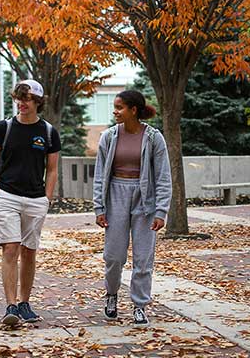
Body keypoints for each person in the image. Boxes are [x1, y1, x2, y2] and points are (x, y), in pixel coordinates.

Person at [93, 90, 172, 325]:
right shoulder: (108, 137)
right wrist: (99, 207)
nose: (115, 111)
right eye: (115, 107)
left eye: (119, 107)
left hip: (144, 198)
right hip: (116, 194)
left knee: (143, 257)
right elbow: (99, 175)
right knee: (114, 255)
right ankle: (111, 295)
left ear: (133, 110)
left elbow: (163, 176)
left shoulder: (153, 138)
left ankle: (139, 305)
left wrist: (161, 210)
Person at [0, 79, 60, 326]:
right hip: (8, 196)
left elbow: (52, 170)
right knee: (10, 248)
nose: (21, 102)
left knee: (29, 252)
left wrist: (46, 199)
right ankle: (11, 305)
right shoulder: (3, 128)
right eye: (19, 97)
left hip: (36, 199)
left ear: (37, 102)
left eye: (27, 98)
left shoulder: (48, 132)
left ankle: (25, 303)